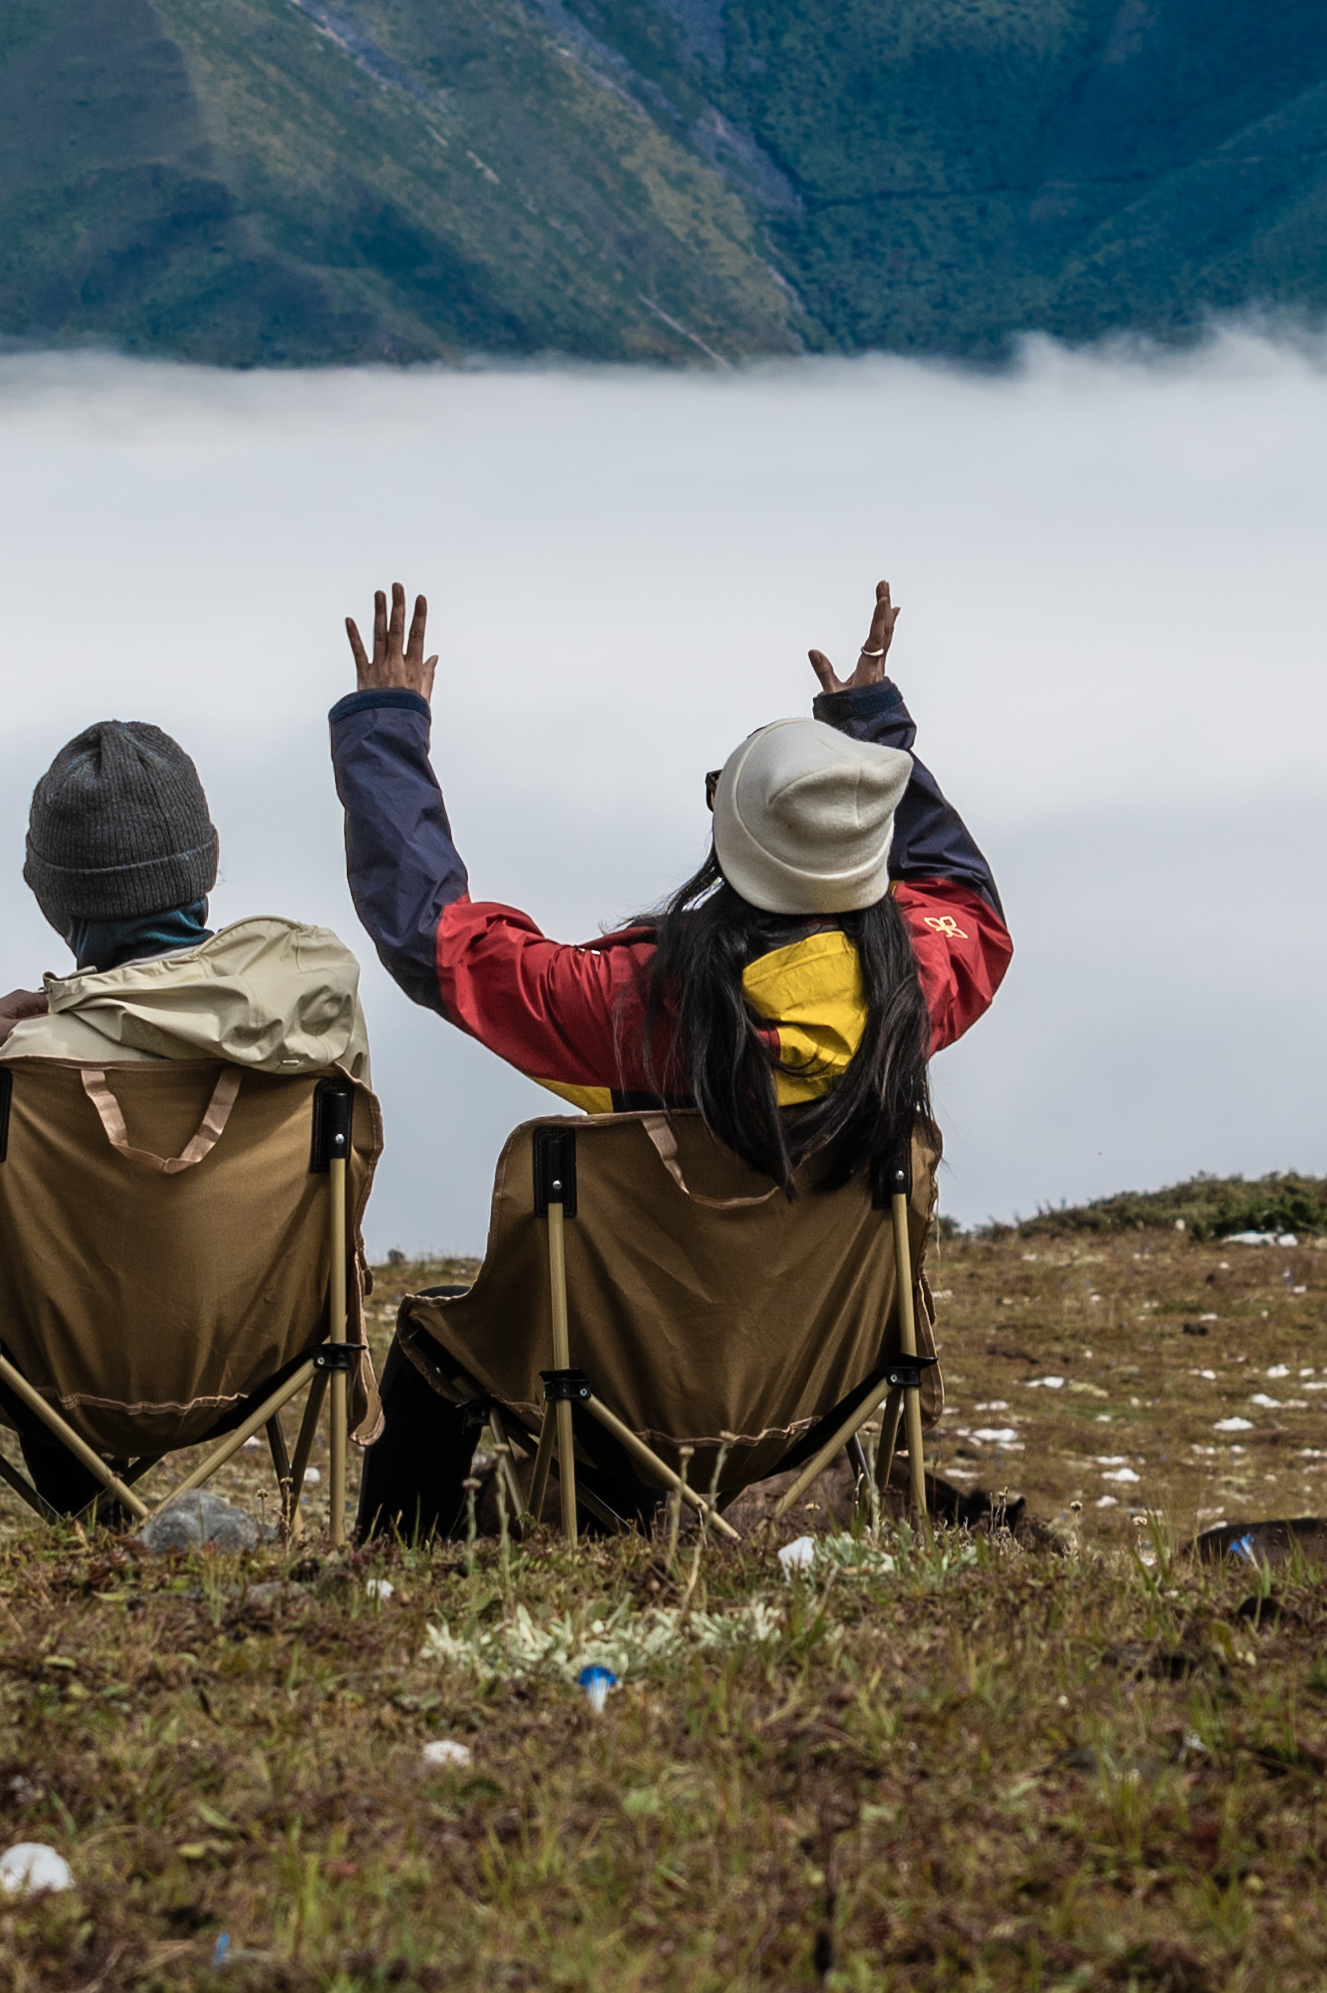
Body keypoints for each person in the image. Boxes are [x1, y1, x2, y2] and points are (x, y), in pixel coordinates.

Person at [327, 576, 1010, 1531]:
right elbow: (961, 896)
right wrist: (873, 747)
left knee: (440, 1341)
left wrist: (387, 729)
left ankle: (399, 1557)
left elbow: (431, 938)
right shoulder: (915, 988)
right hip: (809, 1394)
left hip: (616, 1403)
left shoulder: (634, 1009)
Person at [0, 718, 376, 1532]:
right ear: (203, 864)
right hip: (265, 1360)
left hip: (61, 1378)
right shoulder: (317, 1019)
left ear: (60, 901)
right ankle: (105, 1525)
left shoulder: (28, 1063)